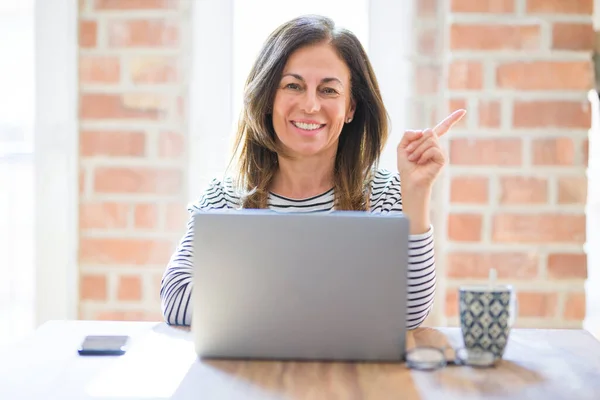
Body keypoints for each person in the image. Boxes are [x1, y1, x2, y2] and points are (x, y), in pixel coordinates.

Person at [160, 15, 465, 330]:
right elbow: (176, 298)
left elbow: (408, 315)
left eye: (328, 91)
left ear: (350, 108)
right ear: (268, 99)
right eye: (293, 85)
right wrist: (327, 307)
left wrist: (416, 193)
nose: (310, 105)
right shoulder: (225, 197)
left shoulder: (385, 196)